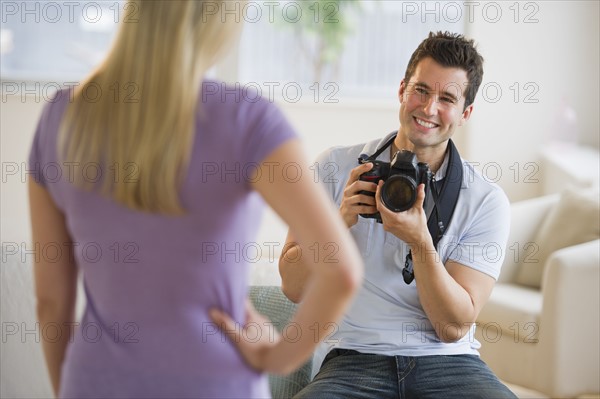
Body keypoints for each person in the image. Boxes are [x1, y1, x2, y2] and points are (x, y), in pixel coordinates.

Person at [28, 1, 363, 398]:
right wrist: (277, 356)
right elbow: (341, 271)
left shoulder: (60, 117)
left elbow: (52, 303)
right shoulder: (247, 120)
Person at [279, 31, 517, 398]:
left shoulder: (485, 199)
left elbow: (451, 328)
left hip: (450, 363)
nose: (429, 108)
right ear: (402, 90)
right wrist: (337, 223)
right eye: (421, 90)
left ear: (465, 113)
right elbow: (293, 287)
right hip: (354, 360)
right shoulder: (334, 167)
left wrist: (420, 242)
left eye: (447, 99)